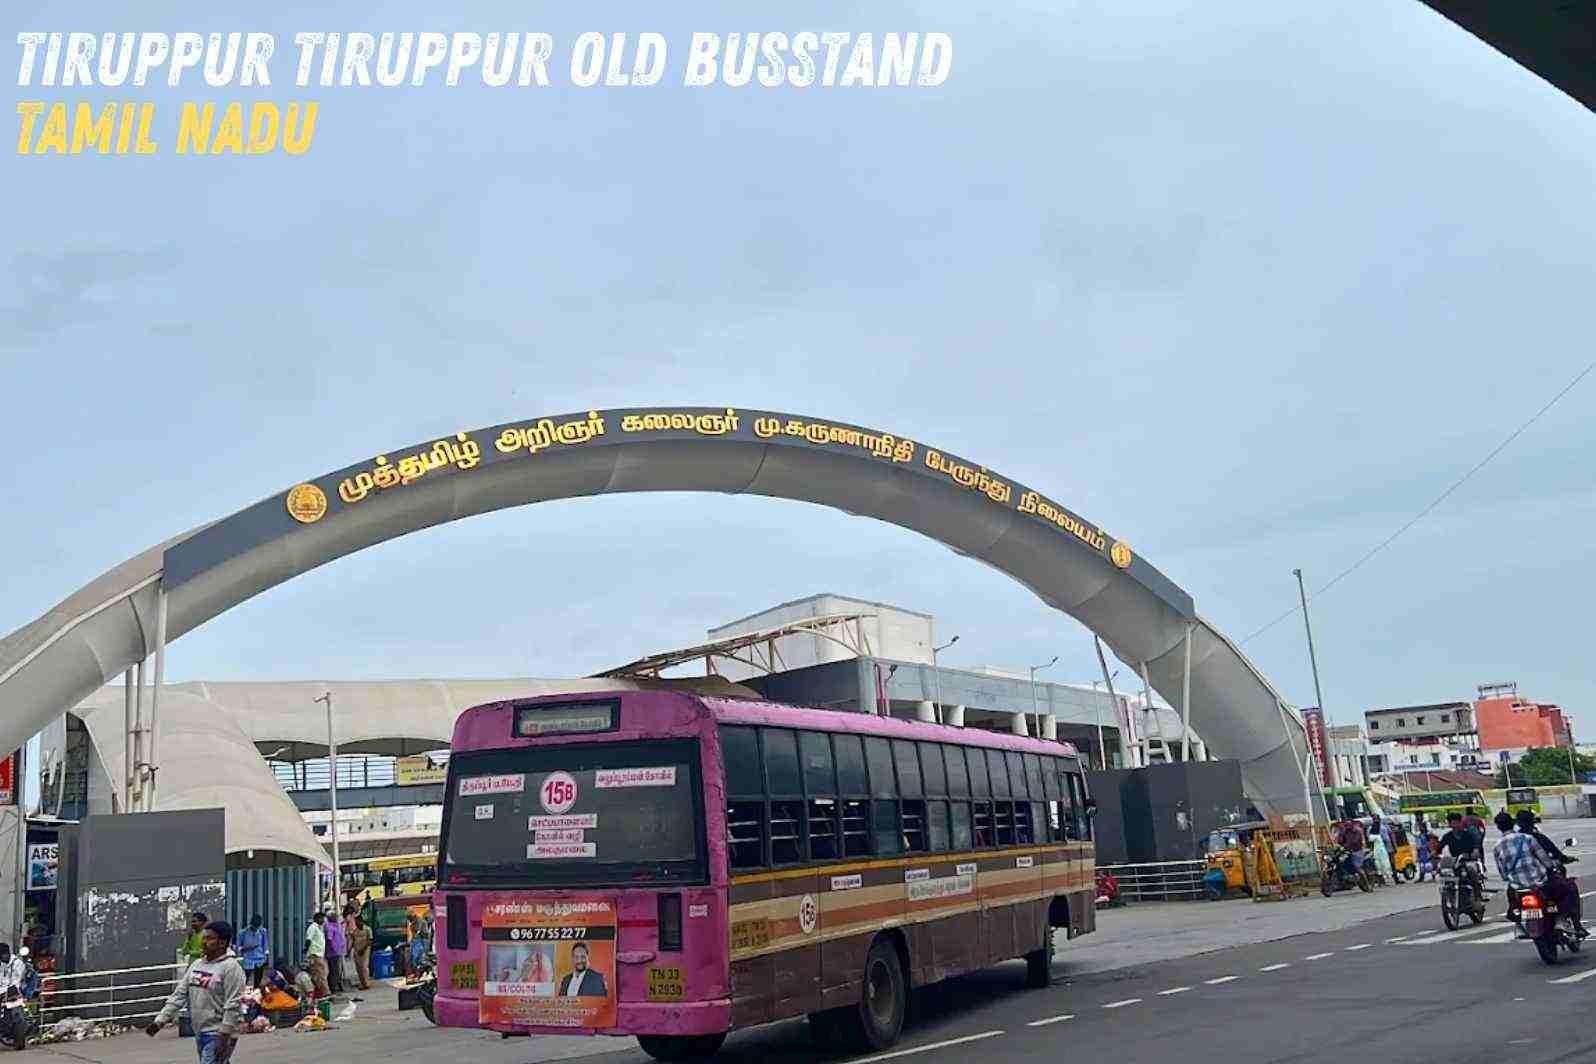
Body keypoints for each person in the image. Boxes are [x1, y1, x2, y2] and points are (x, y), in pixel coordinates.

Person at [147, 920, 246, 1064]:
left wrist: (224, 1034)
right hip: (200, 1030)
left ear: (222, 943)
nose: (204, 942)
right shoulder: (196, 965)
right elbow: (179, 995)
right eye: (203, 938)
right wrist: (160, 1021)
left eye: (209, 938)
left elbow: (233, 1003)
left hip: (219, 1033)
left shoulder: (231, 968)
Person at [1494, 810, 1586, 936]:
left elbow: (1503, 874)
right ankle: (1563, 920)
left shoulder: (1497, 846)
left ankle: (1519, 925)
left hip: (1517, 886)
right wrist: (1550, 867)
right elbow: (1546, 861)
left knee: (1513, 900)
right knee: (1569, 887)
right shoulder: (1528, 839)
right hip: (1539, 881)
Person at [237, 916, 269, 990]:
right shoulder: (243, 933)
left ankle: (256, 992)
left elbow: (265, 945)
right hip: (248, 958)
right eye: (254, 927)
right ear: (251, 924)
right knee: (245, 978)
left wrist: (266, 956)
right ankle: (241, 991)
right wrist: (247, 948)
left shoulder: (263, 931)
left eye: (257, 927)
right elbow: (238, 947)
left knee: (258, 979)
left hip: (260, 958)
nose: (255, 929)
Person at [303, 912, 330, 1000]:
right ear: (318, 918)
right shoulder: (313, 927)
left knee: (322, 973)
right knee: (320, 975)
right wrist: (306, 950)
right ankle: (325, 993)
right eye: (322, 919)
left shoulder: (319, 928)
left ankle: (321, 992)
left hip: (320, 954)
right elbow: (308, 940)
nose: (324, 921)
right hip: (315, 955)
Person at [322, 905, 346, 995]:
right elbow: (329, 939)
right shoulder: (329, 927)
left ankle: (336, 985)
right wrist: (331, 949)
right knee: (334, 970)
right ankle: (333, 987)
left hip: (338, 951)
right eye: (334, 916)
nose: (336, 917)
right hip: (333, 952)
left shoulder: (337, 925)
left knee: (336, 969)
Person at [347, 915, 372, 991]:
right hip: (357, 951)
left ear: (361, 921)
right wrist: (349, 950)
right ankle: (362, 983)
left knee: (364, 967)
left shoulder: (367, 929)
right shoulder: (355, 931)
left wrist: (363, 949)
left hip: (365, 951)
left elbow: (370, 941)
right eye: (356, 922)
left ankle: (367, 983)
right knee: (358, 968)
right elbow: (352, 940)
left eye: (358, 922)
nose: (357, 924)